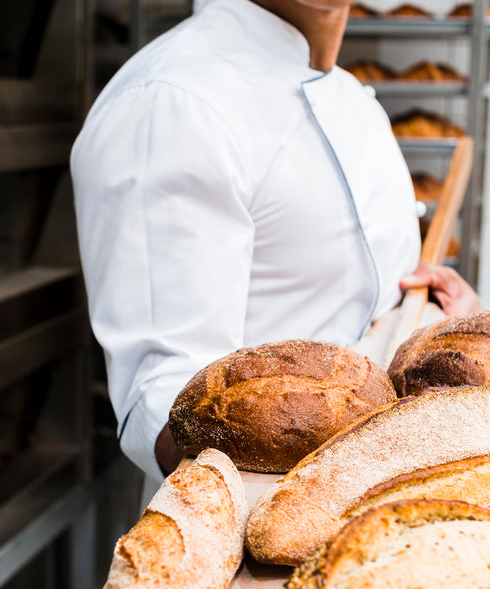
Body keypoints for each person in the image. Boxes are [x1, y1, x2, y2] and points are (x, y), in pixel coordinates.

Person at [70, 0, 481, 495]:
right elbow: (167, 411)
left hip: (377, 498)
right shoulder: (170, 103)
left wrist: (433, 330)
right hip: (261, 533)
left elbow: (355, 304)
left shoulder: (350, 95)